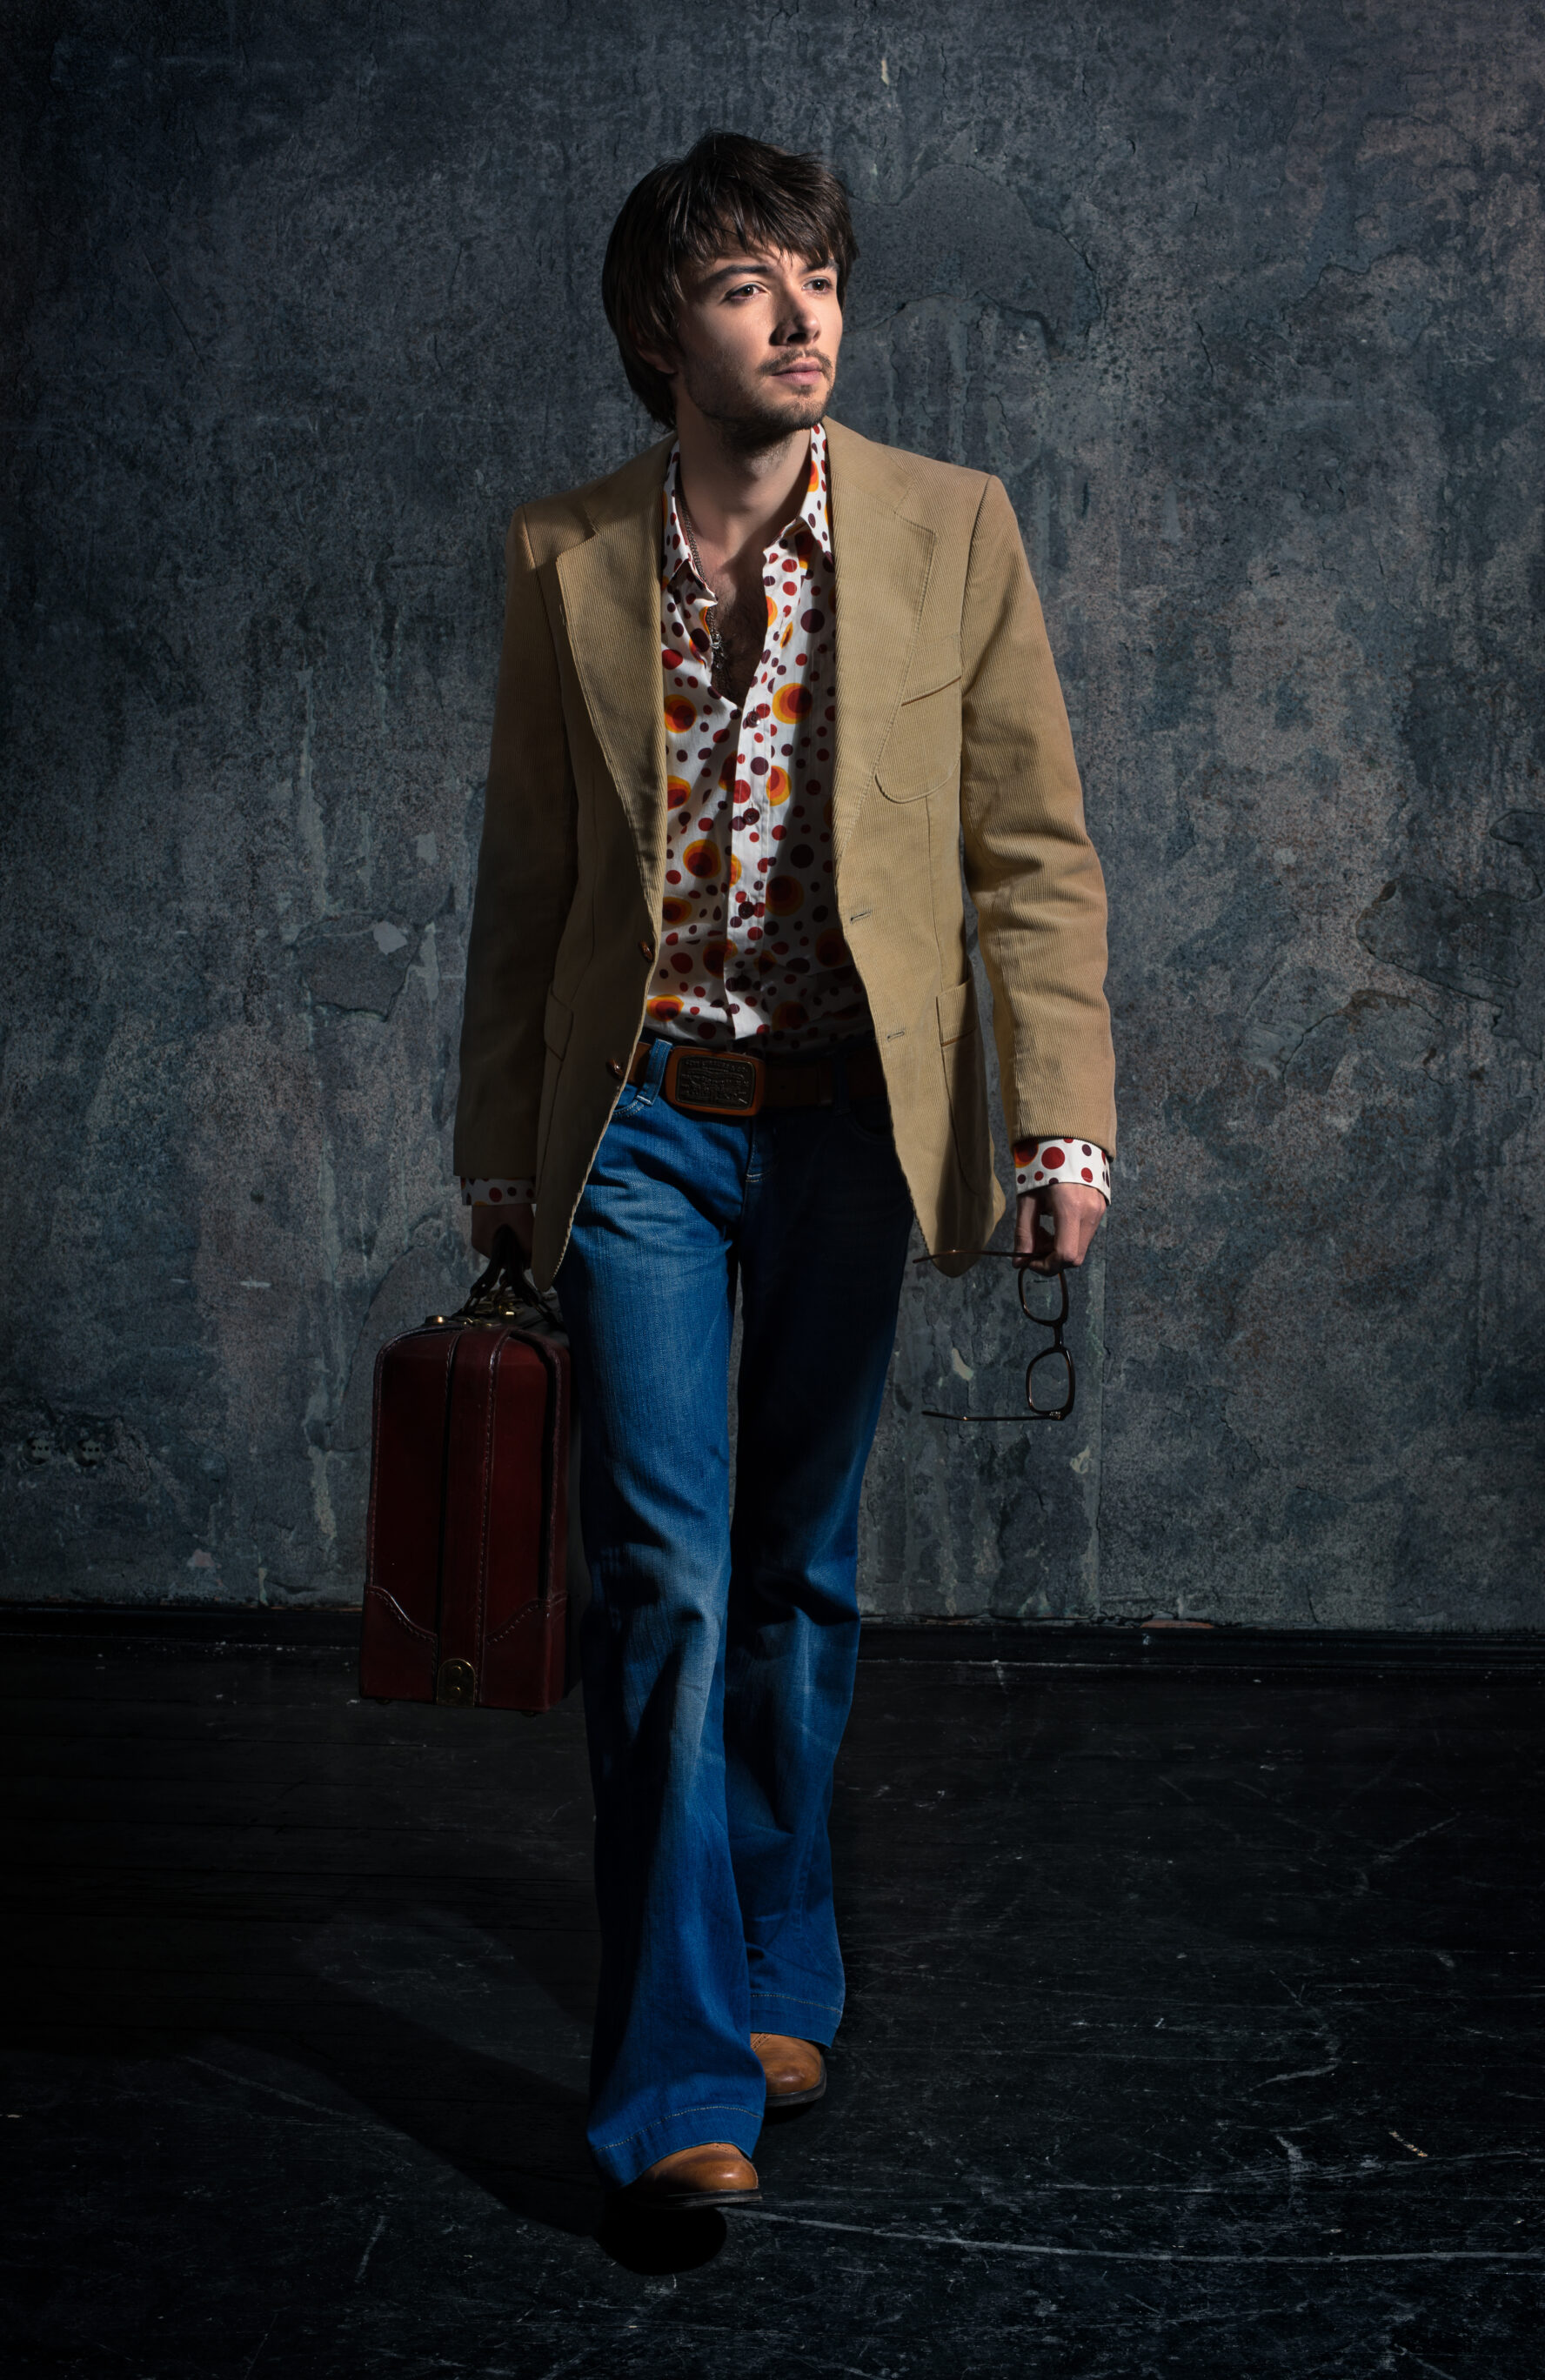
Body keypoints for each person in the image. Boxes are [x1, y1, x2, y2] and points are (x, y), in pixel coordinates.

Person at [452, 132, 1114, 2209]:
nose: (804, 314)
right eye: (750, 284)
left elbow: (1030, 848)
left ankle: (776, 1949)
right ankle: (673, 2087)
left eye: (819, 274)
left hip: (850, 1121)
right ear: (663, 329)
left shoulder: (950, 527)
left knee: (799, 1571)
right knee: (657, 1578)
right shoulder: (562, 553)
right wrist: (501, 1148)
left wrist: (1055, 1115)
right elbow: (533, 883)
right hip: (640, 1123)